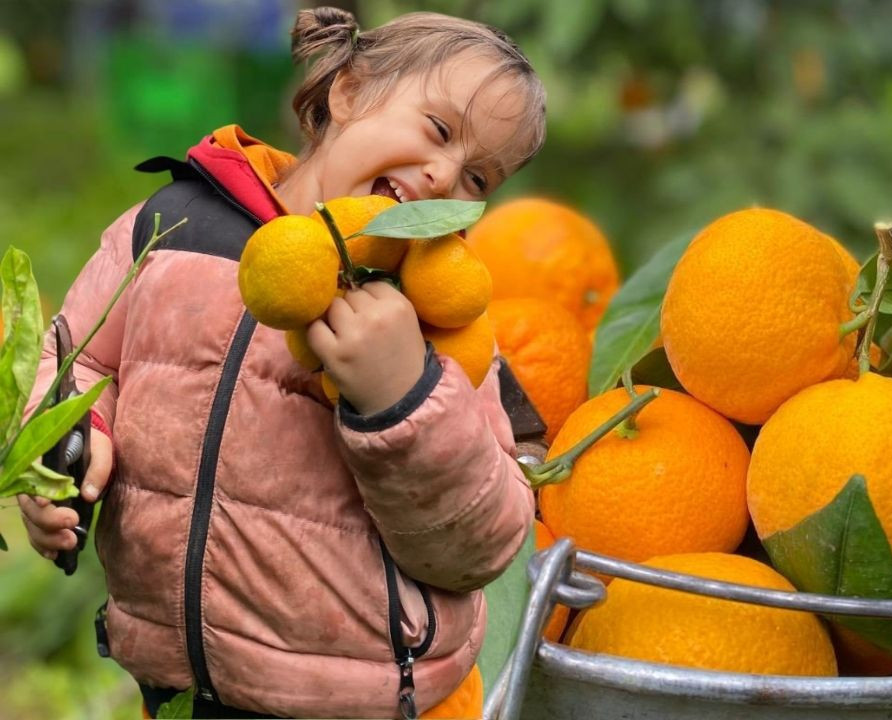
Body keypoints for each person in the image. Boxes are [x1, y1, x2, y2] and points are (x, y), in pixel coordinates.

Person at [17, 7, 545, 718]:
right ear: (349, 91)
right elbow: (73, 361)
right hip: (178, 689)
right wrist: (63, 451)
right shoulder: (173, 226)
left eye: (479, 177)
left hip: (368, 702)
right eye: (439, 130)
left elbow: (486, 540)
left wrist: (404, 398)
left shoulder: (435, 319)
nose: (446, 173)